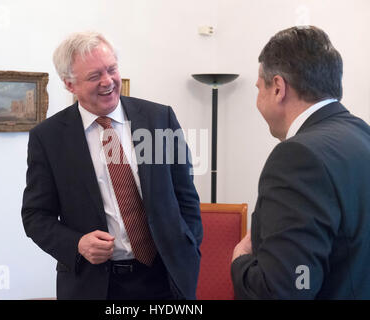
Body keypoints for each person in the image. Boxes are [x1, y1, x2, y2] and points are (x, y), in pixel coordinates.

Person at [21, 31, 202, 300]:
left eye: (112, 69)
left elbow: (185, 194)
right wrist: (77, 244)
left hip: (166, 278)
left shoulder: (158, 118)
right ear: (70, 85)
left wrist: (190, 249)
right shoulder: (48, 138)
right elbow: (35, 216)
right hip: (95, 284)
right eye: (95, 76)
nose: (108, 81)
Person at [231, 26, 370, 299]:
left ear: (278, 88)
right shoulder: (361, 134)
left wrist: (240, 260)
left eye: (259, 88)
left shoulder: (297, 157)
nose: (257, 99)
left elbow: (285, 289)